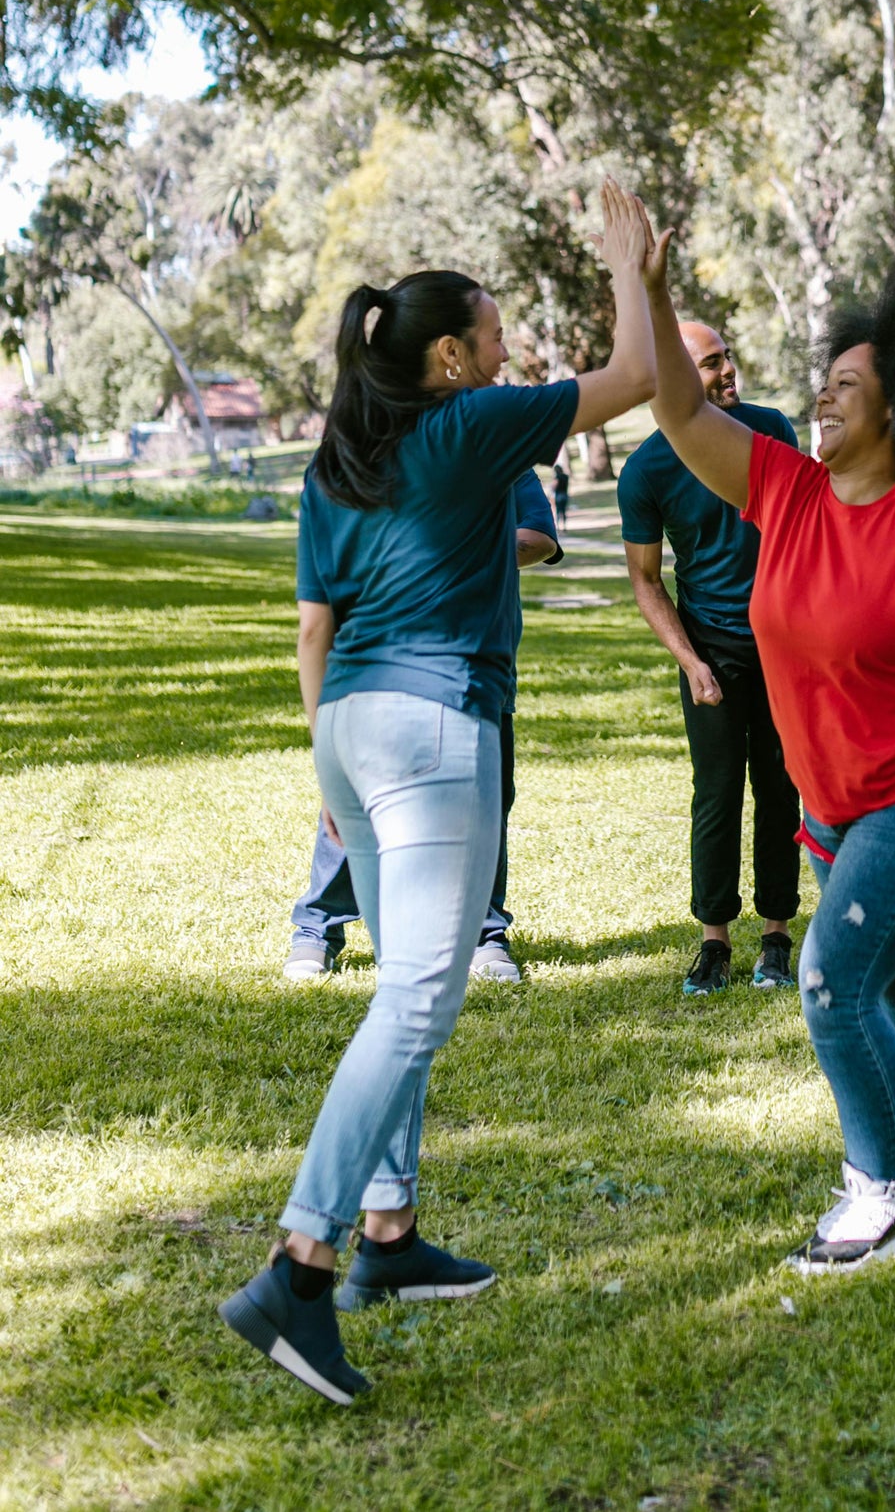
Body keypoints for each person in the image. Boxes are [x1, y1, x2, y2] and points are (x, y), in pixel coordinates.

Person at [218, 180, 656, 1402]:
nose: (510, 348)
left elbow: (315, 627)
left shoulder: (337, 465)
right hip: (432, 724)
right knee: (417, 996)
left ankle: (390, 1238)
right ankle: (299, 1266)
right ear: (453, 354)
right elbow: (630, 379)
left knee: (406, 978)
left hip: (351, 724)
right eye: (500, 331)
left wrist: (322, 759)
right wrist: (631, 267)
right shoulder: (466, 428)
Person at [642, 230, 895, 1273]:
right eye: (821, 383)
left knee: (832, 979)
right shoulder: (786, 489)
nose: (821, 400)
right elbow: (682, 411)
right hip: (835, 803)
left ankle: (884, 1194)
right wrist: (646, 288)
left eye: (845, 387)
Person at [281, 468, 562, 985]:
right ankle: (318, 929)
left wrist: (466, 553)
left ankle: (484, 935)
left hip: (479, 661)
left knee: (482, 804)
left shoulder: (499, 447)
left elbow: (539, 537)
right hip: (381, 660)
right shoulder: (362, 451)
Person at [619, 322, 803, 994]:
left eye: (727, 355)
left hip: (784, 643)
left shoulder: (771, 428)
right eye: (710, 362)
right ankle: (715, 942)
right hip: (710, 647)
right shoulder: (647, 468)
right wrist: (691, 661)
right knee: (717, 792)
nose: (729, 370)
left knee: (782, 786)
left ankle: (777, 936)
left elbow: (806, 528)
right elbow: (645, 577)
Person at [552, 444, 571, 531]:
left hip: (559, 495)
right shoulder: (566, 476)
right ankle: (564, 526)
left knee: (558, 511)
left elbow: (555, 486)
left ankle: (559, 527)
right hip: (565, 494)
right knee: (564, 512)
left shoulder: (557, 477)